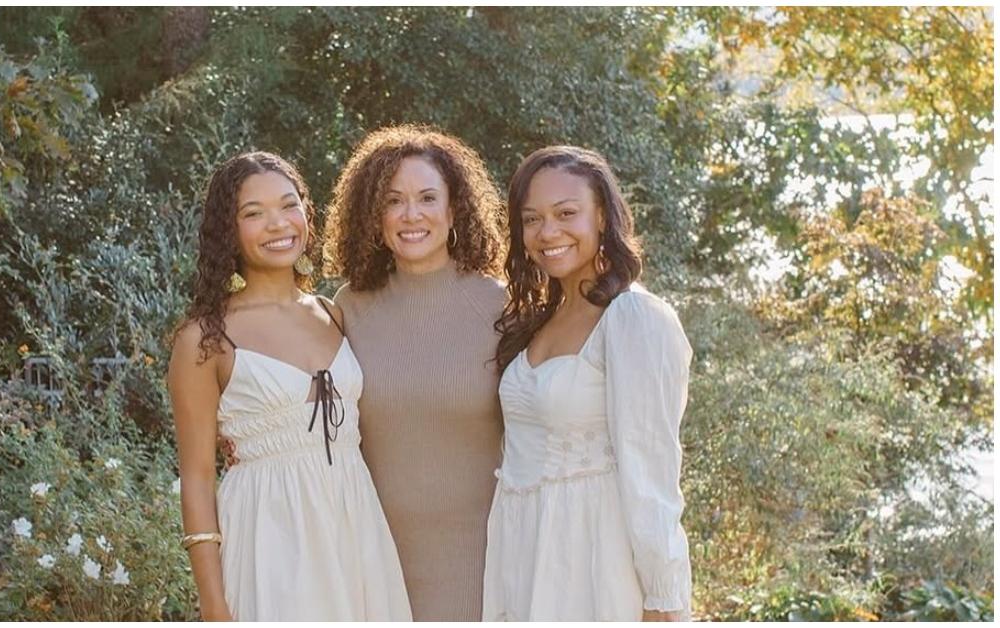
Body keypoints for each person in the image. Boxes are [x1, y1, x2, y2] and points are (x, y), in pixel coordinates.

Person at [167, 151, 410, 621]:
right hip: (270, 537)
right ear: (228, 231)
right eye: (253, 213)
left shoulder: (332, 312)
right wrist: (213, 603)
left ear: (306, 212)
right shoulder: (203, 338)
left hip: (356, 532)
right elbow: (197, 477)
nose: (278, 224)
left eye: (288, 205)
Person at [484, 145, 693, 621]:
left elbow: (652, 470)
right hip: (524, 553)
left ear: (603, 217)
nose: (547, 232)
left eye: (566, 213)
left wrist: (663, 597)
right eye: (532, 218)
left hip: (596, 563)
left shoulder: (633, 317)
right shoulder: (539, 319)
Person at [322, 124, 509, 620]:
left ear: (454, 210)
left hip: (483, 561)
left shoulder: (501, 304)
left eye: (428, 197)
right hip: (376, 560)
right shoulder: (349, 307)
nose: (411, 215)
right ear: (373, 215)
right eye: (393, 201)